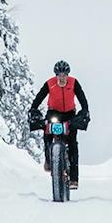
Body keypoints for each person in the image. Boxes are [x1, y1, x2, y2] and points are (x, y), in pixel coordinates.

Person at [30, 60, 89, 189]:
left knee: (73, 143)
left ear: (68, 75)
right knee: (47, 133)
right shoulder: (49, 84)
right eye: (59, 75)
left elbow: (82, 99)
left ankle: (74, 179)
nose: (62, 78)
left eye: (64, 75)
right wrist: (33, 109)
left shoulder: (74, 83)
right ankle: (48, 159)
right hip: (54, 113)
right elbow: (39, 98)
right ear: (55, 75)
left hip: (69, 114)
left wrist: (84, 111)